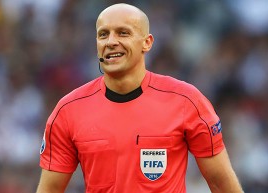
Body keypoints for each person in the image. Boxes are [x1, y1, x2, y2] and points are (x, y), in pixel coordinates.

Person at [36, 3, 244, 193]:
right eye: (103, 35)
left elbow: (222, 184)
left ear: (147, 43)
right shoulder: (68, 111)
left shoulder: (187, 101)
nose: (111, 42)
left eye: (123, 33)